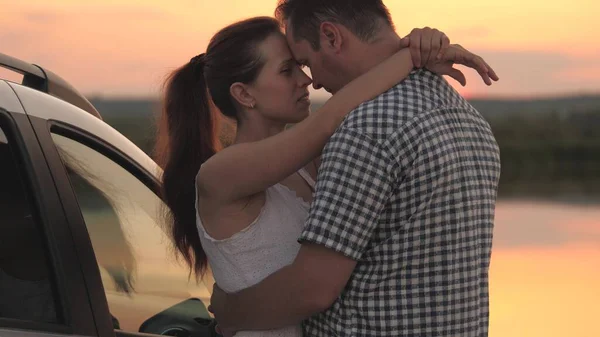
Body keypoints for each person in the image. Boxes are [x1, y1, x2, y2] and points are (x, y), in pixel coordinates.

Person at [155, 14, 497, 337]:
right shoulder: (220, 174)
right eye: (287, 70)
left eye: (301, 66)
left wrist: (421, 43)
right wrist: (410, 55)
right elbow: (331, 117)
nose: (306, 79)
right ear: (244, 94)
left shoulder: (311, 162)